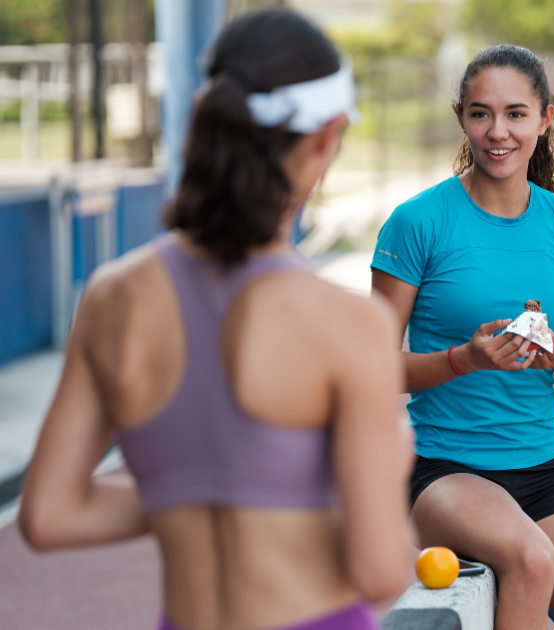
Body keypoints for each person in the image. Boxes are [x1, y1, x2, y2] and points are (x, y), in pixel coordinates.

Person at [19, 9, 412, 630]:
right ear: (326, 136)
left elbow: (47, 514)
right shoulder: (350, 325)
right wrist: (389, 462)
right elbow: (380, 571)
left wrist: (191, 491)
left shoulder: (111, 297)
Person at [371, 45, 554, 630]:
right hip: (443, 470)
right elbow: (371, 369)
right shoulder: (417, 222)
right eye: (481, 113)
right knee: (532, 560)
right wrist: (463, 360)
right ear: (460, 117)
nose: (498, 132)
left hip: (545, 470)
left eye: (516, 114)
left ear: (546, 119)